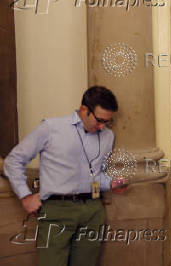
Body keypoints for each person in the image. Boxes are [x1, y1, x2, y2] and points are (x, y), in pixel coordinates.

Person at [3, 86, 125, 266]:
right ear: (84, 110)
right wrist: (25, 195)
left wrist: (111, 183)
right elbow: (13, 160)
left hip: (93, 211)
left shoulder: (107, 136)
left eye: (107, 121)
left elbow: (96, 175)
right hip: (56, 210)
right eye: (99, 120)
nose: (102, 126)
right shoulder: (51, 128)